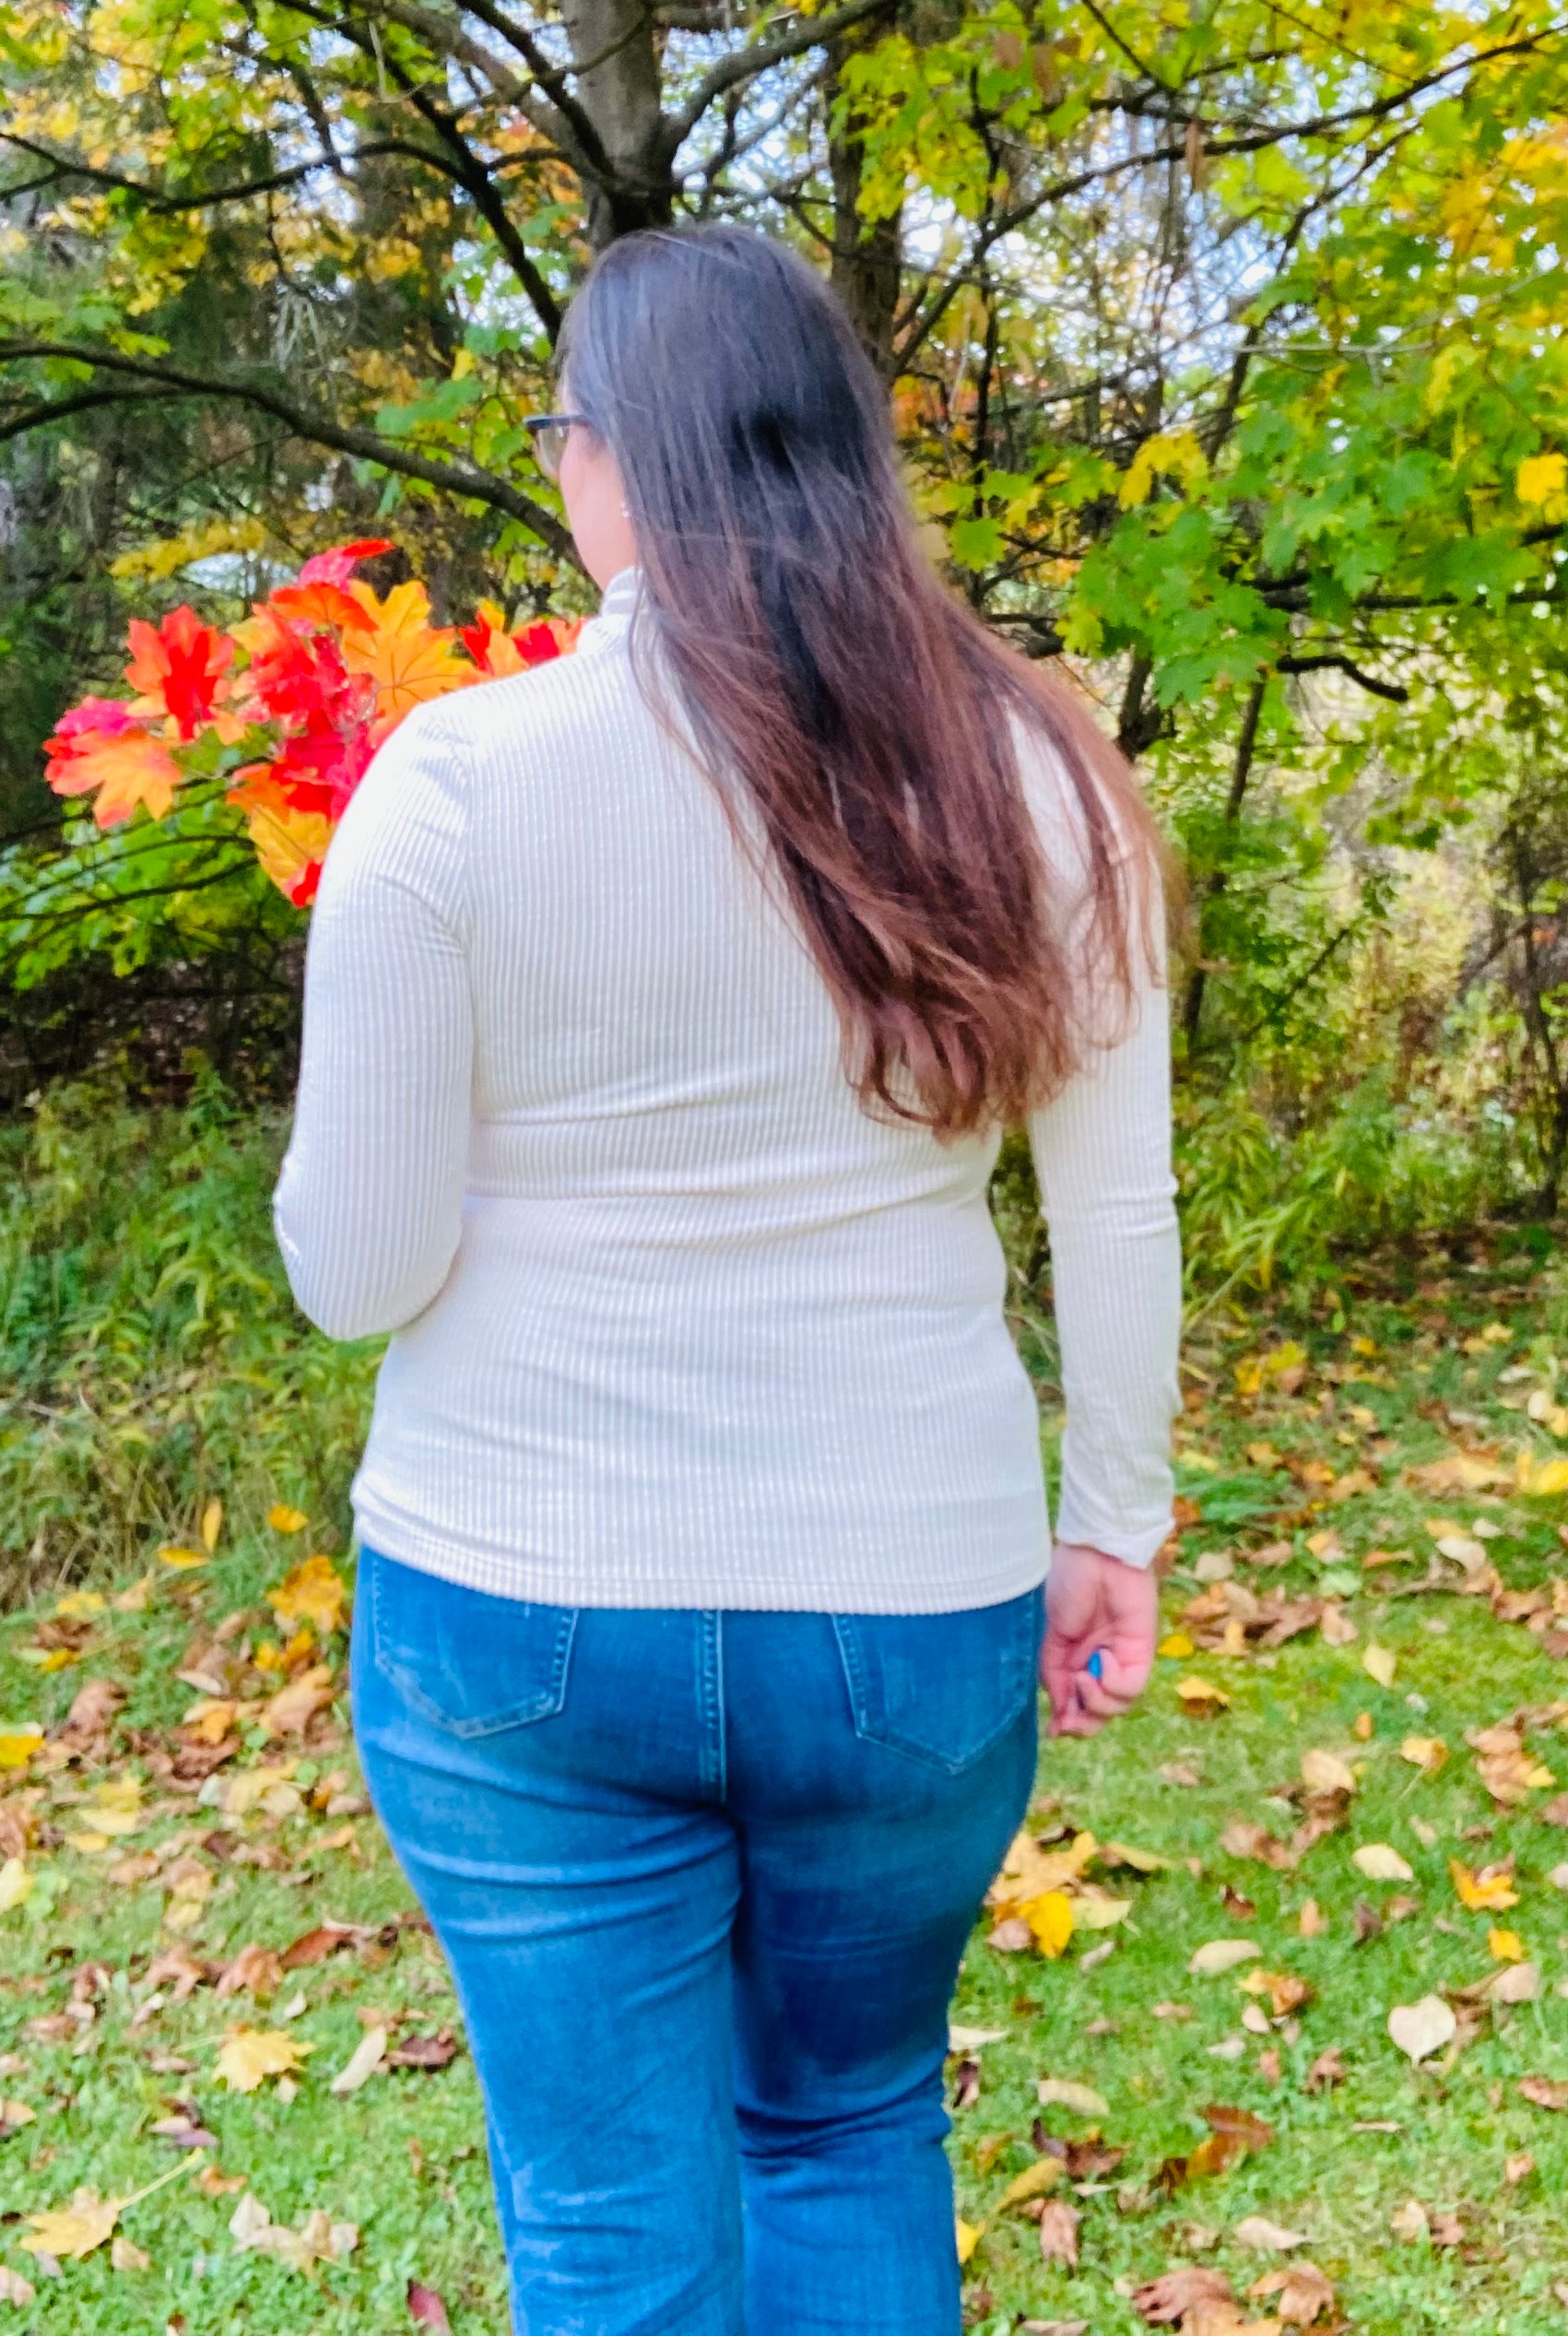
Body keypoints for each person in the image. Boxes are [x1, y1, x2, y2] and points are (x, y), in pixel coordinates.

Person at [274, 226, 1180, 2336]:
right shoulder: (1032, 769)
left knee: (607, 2227)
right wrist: (1110, 1523)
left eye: (552, 436)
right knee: (850, 2120)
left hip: (516, 1599)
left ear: (603, 462)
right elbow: (1115, 1214)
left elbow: (357, 1269)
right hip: (906, 1587)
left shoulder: (460, 781)